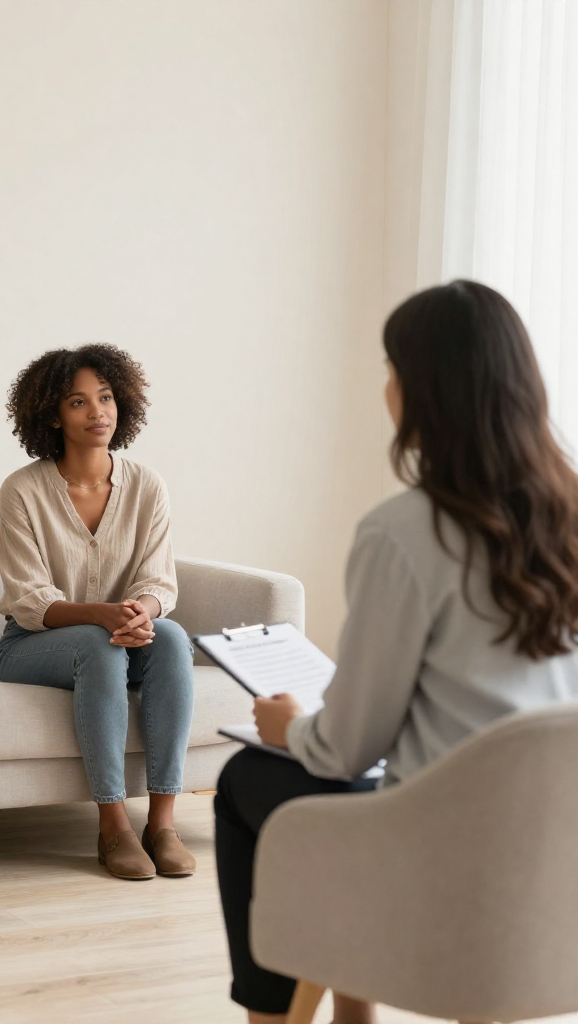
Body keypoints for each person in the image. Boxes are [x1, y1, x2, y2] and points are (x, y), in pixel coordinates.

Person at [215, 281, 578, 1023]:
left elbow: (350, 747)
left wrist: (292, 726)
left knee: (250, 776)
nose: (385, 385)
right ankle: (354, 1011)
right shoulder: (568, 509)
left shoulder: (405, 531)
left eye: (390, 367)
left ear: (423, 388)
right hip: (553, 853)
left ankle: (273, 1020)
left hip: (440, 850)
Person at [0, 343, 196, 881]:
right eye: (78, 402)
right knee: (96, 646)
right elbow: (30, 598)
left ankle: (163, 824)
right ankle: (113, 827)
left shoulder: (148, 486)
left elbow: (159, 579)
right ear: (52, 416)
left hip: (124, 631)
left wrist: (141, 613)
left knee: (173, 637)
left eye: (105, 398)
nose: (98, 412)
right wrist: (100, 616)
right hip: (32, 643)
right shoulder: (22, 491)